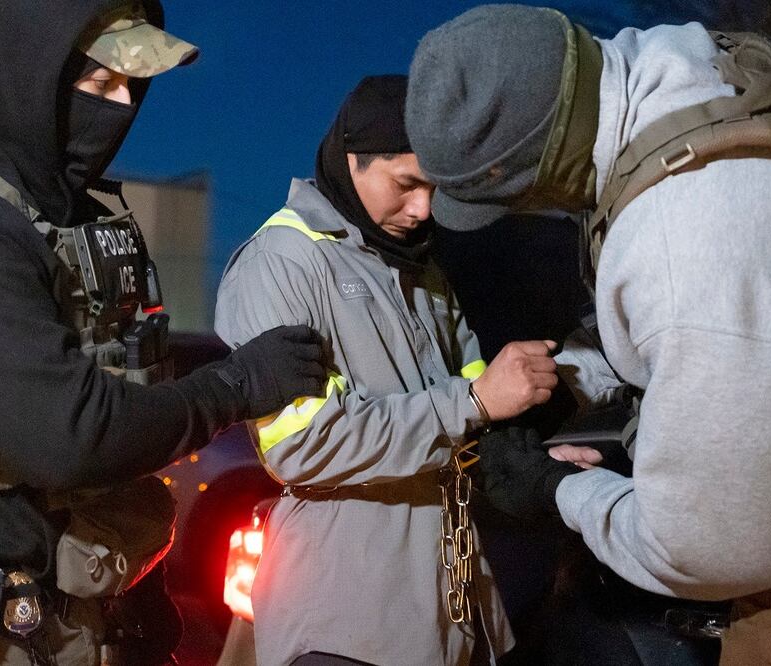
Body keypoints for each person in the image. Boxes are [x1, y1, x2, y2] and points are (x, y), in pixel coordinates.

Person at [0, 1, 326, 664]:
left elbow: (118, 411)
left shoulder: (60, 218)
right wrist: (239, 382)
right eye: (96, 83)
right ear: (21, 74)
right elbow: (72, 438)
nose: (120, 107)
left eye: (132, 87)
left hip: (66, 613)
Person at [405, 5, 771, 663]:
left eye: (514, 192)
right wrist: (569, 383)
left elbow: (714, 550)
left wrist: (558, 490)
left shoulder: (681, 244)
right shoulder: (695, 75)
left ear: (540, 157)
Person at [214, 74, 570, 666]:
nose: (423, 208)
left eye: (435, 190)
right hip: (345, 626)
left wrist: (523, 456)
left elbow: (472, 411)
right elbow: (303, 444)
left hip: (458, 617)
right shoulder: (282, 261)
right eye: (406, 184)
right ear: (354, 160)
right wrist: (475, 401)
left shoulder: (418, 266)